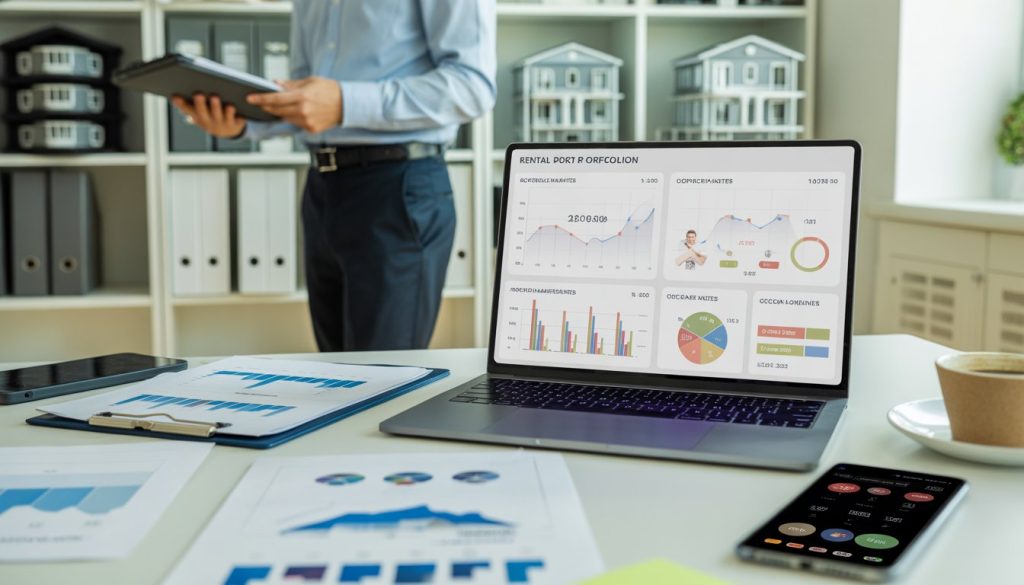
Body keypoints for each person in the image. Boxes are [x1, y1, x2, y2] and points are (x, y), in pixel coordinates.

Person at [172, 1, 497, 351]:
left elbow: (473, 86)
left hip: (398, 189)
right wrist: (243, 123)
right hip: (322, 187)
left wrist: (345, 101)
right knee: (335, 375)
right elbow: (304, 94)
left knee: (384, 381)